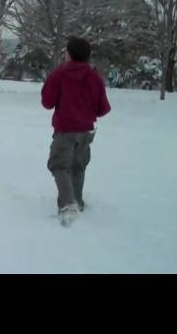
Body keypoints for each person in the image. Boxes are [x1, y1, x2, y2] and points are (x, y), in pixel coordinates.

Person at [41, 37, 111, 226]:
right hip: (87, 131)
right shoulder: (94, 76)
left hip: (65, 130)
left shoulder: (60, 74)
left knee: (59, 166)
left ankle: (68, 205)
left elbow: (47, 102)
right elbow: (103, 109)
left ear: (70, 54)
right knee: (78, 166)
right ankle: (77, 201)